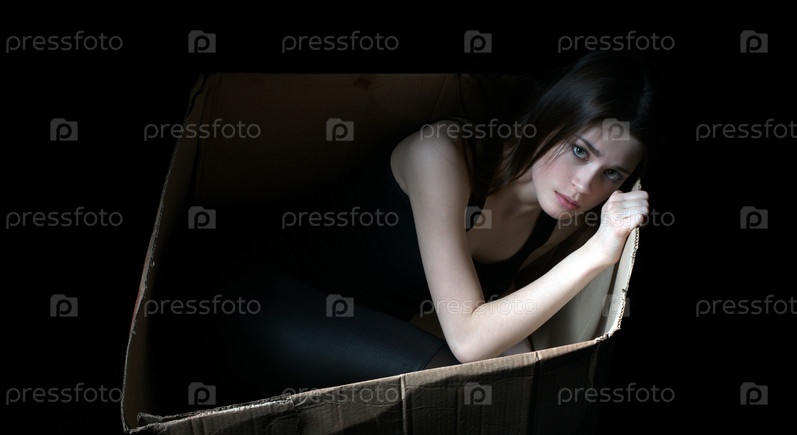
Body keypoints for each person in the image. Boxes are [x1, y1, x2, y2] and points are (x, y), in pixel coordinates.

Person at [149, 50, 664, 412]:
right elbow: (469, 338)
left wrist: (534, 378)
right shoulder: (442, 154)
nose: (584, 185)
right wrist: (597, 254)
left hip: (353, 332)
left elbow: (500, 314)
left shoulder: (554, 223)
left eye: (611, 174)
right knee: (453, 386)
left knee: (506, 392)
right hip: (259, 300)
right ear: (551, 118)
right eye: (579, 150)